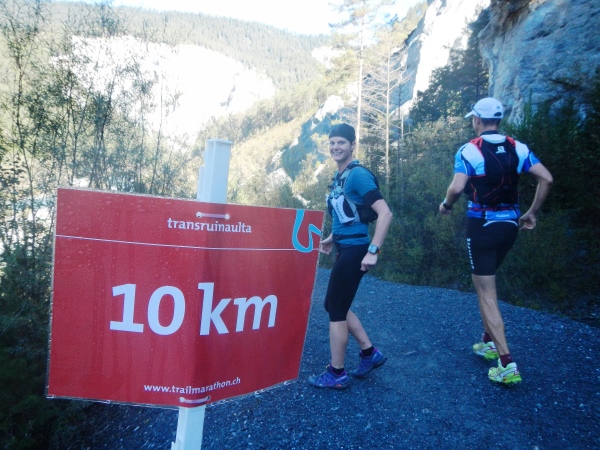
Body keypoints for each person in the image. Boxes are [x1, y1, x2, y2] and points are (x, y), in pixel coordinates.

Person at [439, 97, 553, 384]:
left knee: (486, 292)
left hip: (482, 226)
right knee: (486, 284)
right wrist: (531, 213)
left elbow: (457, 187)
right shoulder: (518, 147)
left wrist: (447, 205)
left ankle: (506, 363)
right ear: (499, 120)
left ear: (477, 120)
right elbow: (547, 179)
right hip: (510, 226)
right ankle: (489, 342)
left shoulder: (469, 150)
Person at [308, 123, 393, 389]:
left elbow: (385, 213)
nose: (336, 147)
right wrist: (332, 238)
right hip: (345, 247)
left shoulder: (357, 175)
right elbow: (347, 216)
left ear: (352, 145)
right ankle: (369, 353)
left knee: (335, 310)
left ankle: (337, 373)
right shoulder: (340, 177)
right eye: (332, 142)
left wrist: (373, 250)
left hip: (357, 250)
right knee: (335, 305)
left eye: (341, 143)